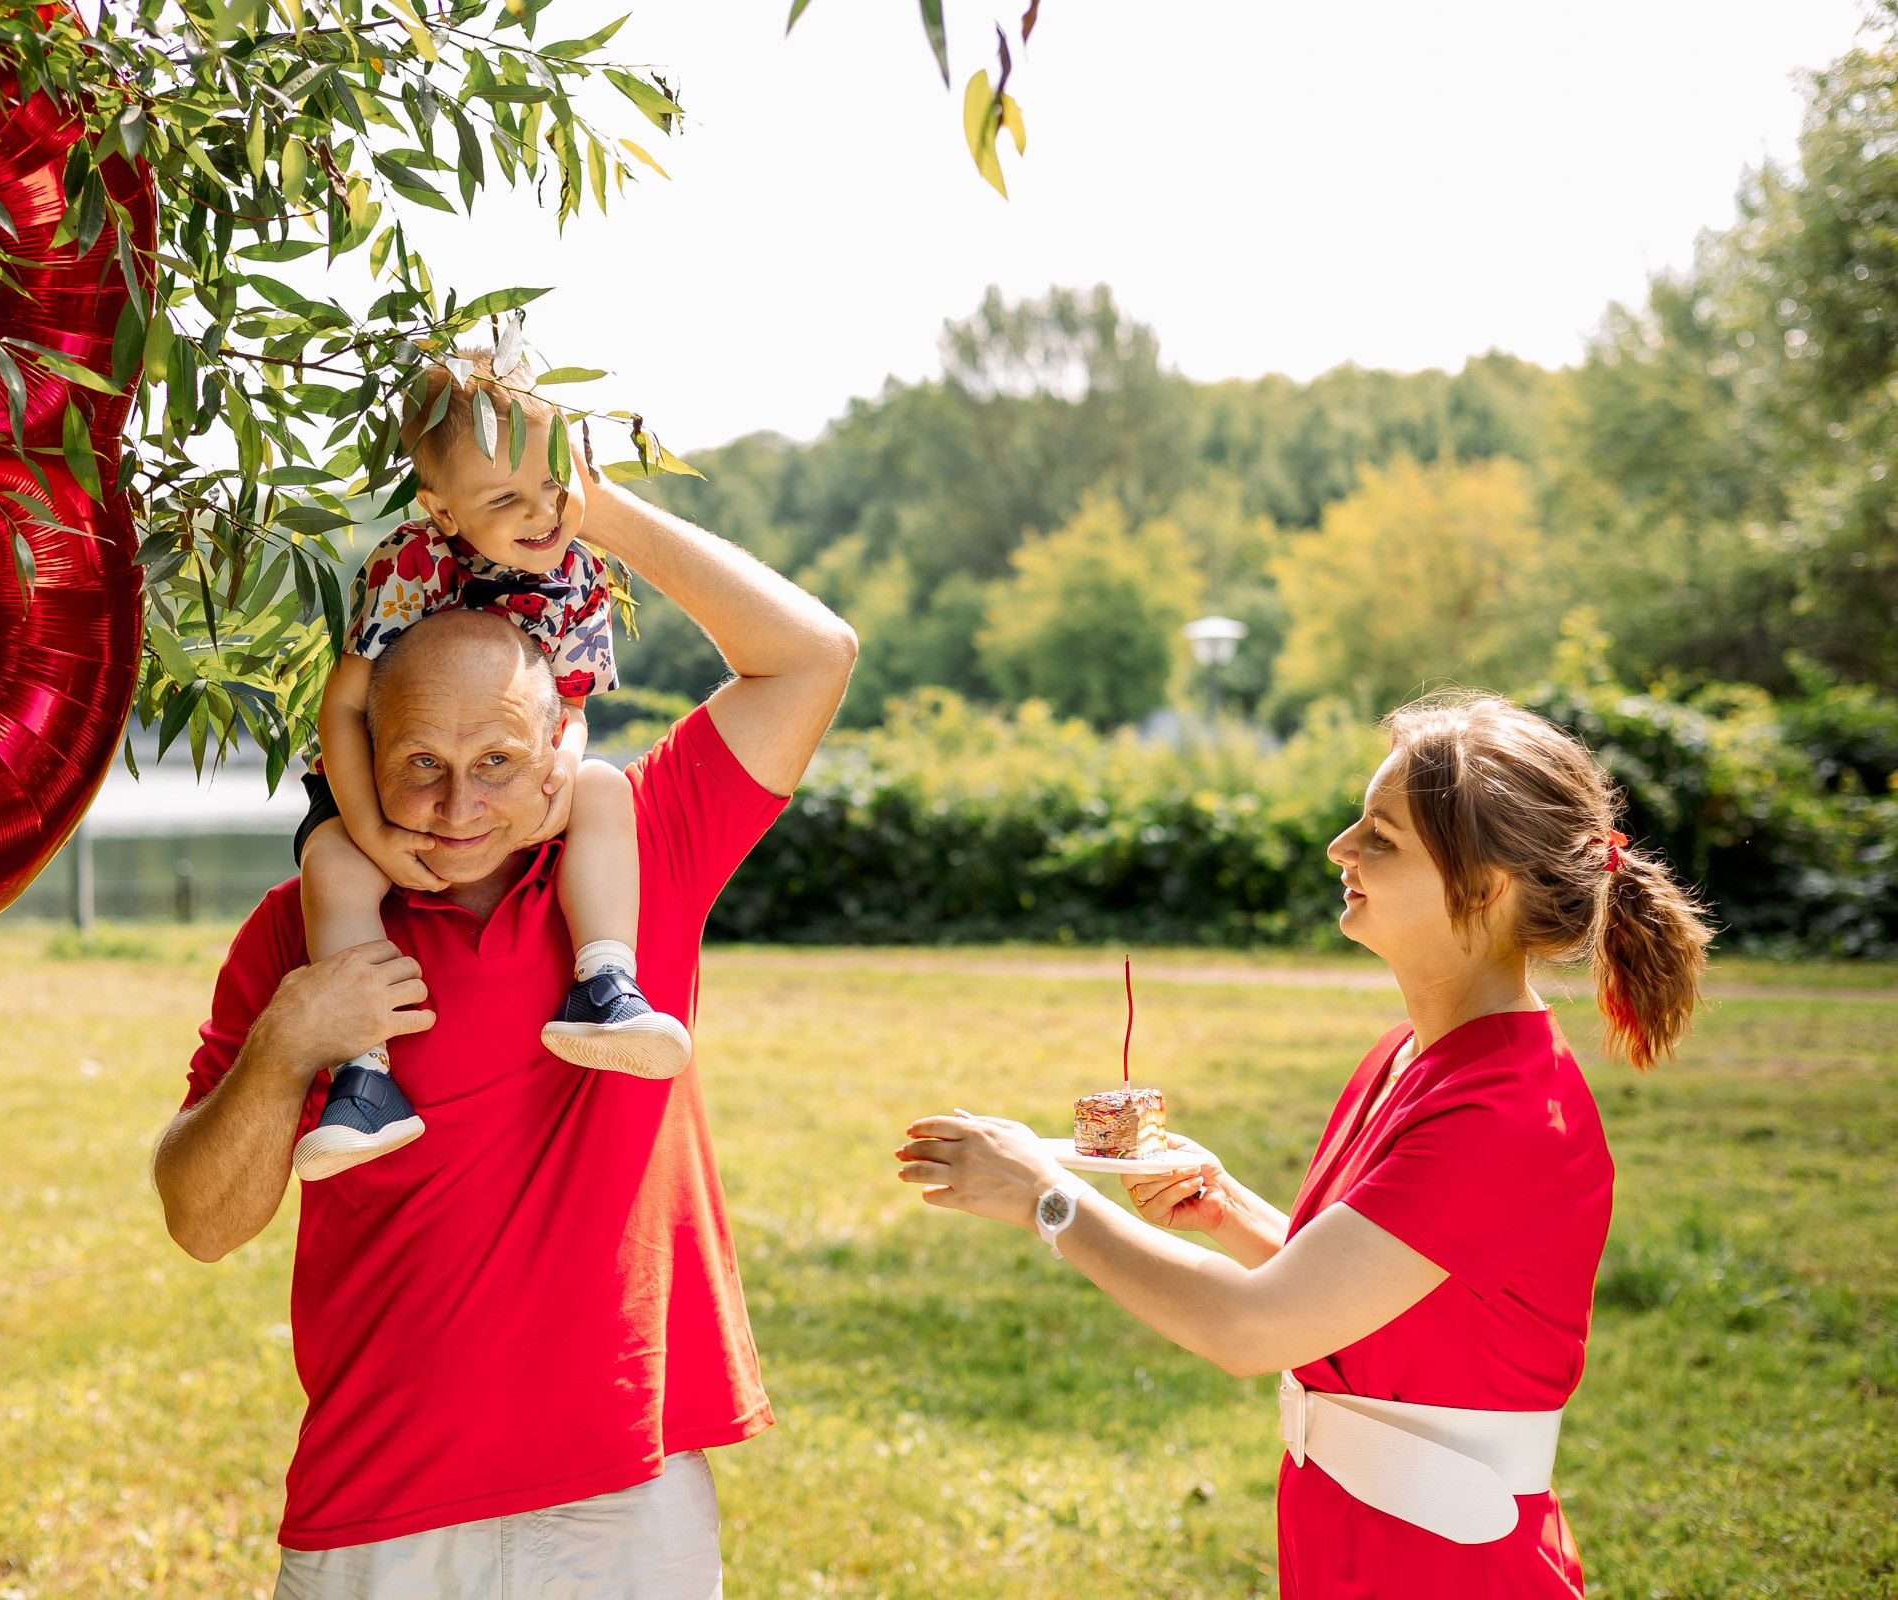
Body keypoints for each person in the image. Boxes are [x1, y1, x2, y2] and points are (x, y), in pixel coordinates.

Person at [152, 452, 856, 1598]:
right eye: (419, 764)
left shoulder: (641, 855)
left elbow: (813, 654)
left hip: (625, 1490)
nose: (457, 803)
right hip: (380, 1498)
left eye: (495, 763)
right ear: (363, 761)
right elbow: (201, 1219)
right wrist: (289, 1042)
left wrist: (594, 508)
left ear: (557, 760)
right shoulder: (304, 929)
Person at [893, 693, 1713, 1598]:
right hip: (1354, 1544)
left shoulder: (1507, 1114)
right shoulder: (1411, 1057)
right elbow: (1374, 1298)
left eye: (1383, 837)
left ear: (1483, 889)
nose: (1340, 848)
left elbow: (1252, 1330)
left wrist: (1048, 1201)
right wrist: (1231, 1210)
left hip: (1450, 1570)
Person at [291, 351, 683, 1183]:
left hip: (522, 761)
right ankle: (364, 1074)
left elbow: (571, 704)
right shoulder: (412, 565)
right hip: (378, 764)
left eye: (555, 483)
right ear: (440, 509)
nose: (543, 512)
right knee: (333, 868)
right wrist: (368, 829)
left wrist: (558, 777)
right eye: (504, 499)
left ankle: (606, 983)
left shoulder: (579, 574)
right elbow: (345, 707)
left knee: (607, 787)